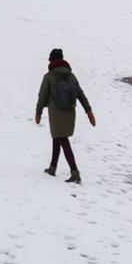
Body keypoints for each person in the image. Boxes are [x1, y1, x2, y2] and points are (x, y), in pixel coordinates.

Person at [35, 48, 95, 184]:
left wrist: (38, 112)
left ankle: (75, 172)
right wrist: (88, 110)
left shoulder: (49, 76)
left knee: (62, 139)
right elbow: (80, 94)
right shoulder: (71, 75)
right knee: (58, 137)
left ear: (52, 60)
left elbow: (42, 95)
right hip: (70, 112)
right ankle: (53, 167)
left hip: (56, 113)